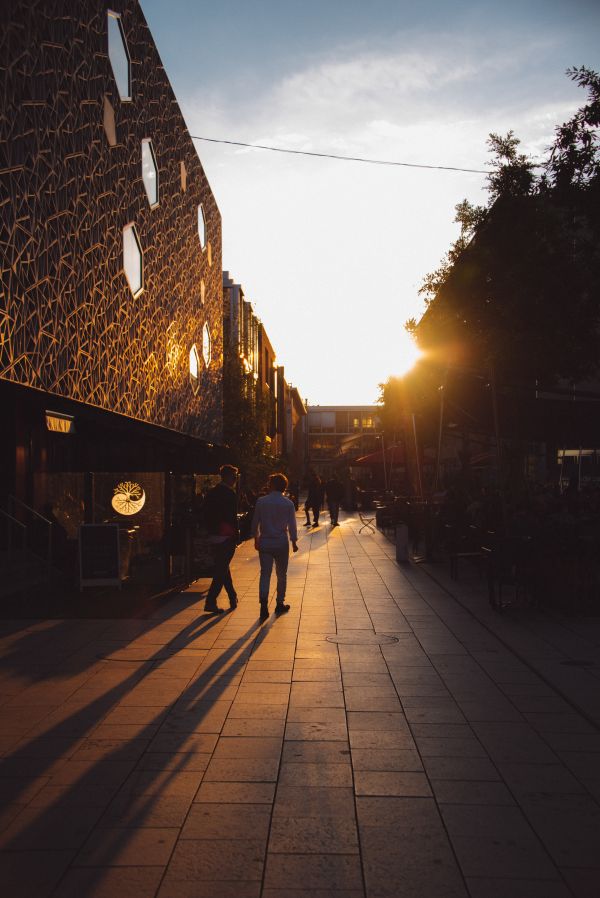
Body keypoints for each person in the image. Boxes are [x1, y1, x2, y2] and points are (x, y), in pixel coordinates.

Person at [251, 472, 298, 620]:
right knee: (281, 574)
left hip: (265, 541)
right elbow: (292, 525)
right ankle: (279, 603)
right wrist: (294, 541)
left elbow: (255, 522)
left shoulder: (261, 501)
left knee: (265, 573)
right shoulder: (288, 503)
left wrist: (255, 537)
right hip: (281, 542)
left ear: (272, 485)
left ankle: (263, 603)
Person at [202, 464, 239, 613]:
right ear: (229, 477)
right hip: (226, 535)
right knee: (221, 570)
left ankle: (232, 596)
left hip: (213, 534)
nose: (235, 480)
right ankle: (210, 601)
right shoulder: (230, 494)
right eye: (234, 477)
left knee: (223, 567)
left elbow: (205, 513)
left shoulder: (211, 492)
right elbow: (231, 516)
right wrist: (236, 533)